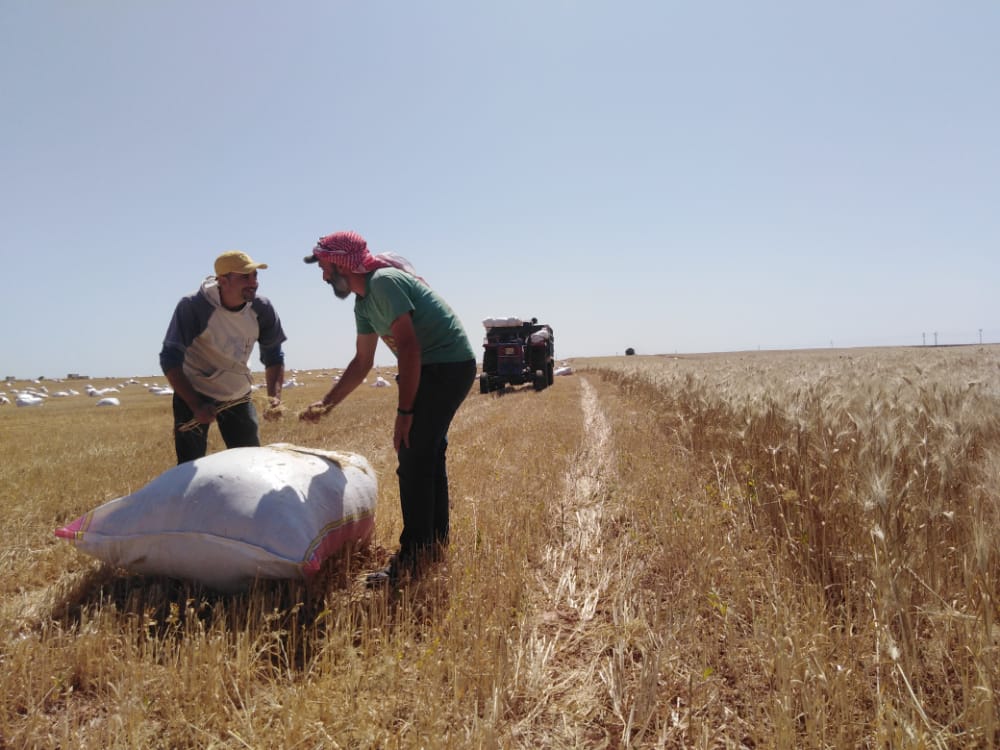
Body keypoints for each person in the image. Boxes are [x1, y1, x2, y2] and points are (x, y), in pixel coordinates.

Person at [301, 230, 476, 586]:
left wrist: (405, 413)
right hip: (435, 367)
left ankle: (412, 558)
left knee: (413, 455)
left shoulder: (383, 283)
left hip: (446, 366)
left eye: (324, 267)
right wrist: (326, 403)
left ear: (340, 264)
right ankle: (432, 546)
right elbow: (362, 362)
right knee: (427, 456)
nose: (323, 277)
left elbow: (409, 347)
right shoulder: (364, 303)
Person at [160, 250, 287, 465]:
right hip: (195, 390)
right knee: (189, 466)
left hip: (237, 393)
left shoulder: (262, 308)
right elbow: (170, 359)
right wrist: (195, 404)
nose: (254, 283)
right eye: (245, 277)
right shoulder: (194, 307)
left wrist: (274, 398)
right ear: (223, 281)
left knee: (250, 461)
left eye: (255, 276)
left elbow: (273, 355)